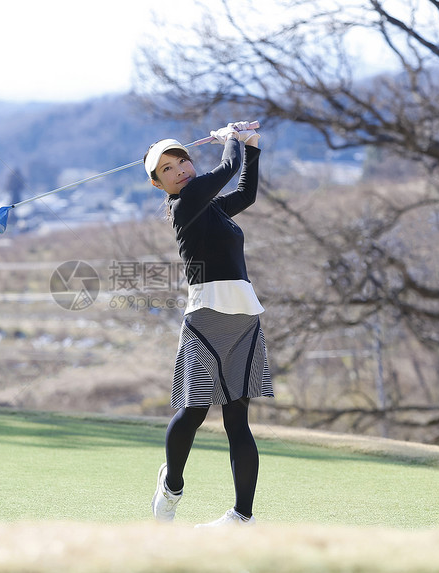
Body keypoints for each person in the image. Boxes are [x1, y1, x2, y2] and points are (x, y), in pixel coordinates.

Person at [145, 121, 273, 527]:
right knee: (194, 411)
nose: (179, 169)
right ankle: (172, 486)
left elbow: (245, 193)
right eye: (167, 168)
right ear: (158, 184)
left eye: (181, 159)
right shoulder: (186, 203)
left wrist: (250, 146)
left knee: (237, 419)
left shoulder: (211, 205)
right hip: (206, 316)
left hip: (242, 315)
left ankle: (242, 518)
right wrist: (232, 138)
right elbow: (226, 170)